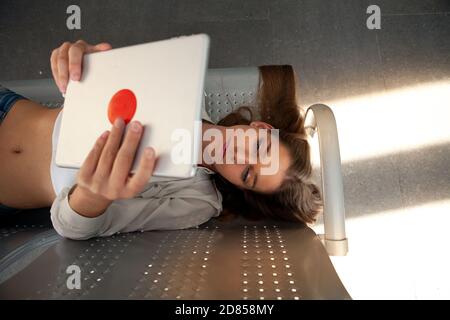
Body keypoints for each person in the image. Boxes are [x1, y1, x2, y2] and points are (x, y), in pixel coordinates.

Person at [0, 40, 322, 239]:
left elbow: (73, 227)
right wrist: (81, 60)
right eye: (257, 147)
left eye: (248, 174)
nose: (238, 156)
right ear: (262, 128)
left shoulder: (197, 202)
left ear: (242, 188)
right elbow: (91, 81)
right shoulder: (185, 86)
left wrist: (97, 194)